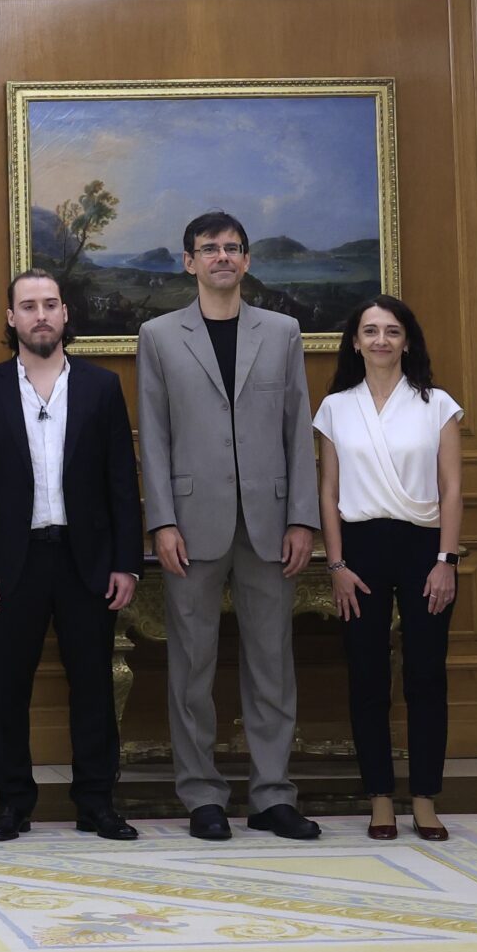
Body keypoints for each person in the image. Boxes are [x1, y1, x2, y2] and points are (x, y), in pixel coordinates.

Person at [138, 211, 321, 841]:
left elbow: (298, 429)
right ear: (189, 261)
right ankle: (202, 796)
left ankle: (272, 795)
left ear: (246, 260)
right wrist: (162, 520)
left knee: (272, 662)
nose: (222, 256)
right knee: (192, 665)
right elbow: (153, 436)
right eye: (209, 248)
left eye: (233, 247)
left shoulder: (283, 332)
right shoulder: (159, 335)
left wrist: (302, 518)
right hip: (190, 524)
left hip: (271, 523)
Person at [0, 270, 143, 842]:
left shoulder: (101, 387)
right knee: (5, 687)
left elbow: (121, 480)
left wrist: (126, 562)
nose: (40, 315)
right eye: (28, 306)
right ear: (11, 318)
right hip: (10, 565)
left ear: (65, 314)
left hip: (87, 561)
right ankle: (12, 803)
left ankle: (96, 802)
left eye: (50, 304)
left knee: (93, 685)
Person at [314, 296, 462, 842]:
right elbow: (327, 492)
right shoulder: (335, 408)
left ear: (407, 341)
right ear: (355, 342)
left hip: (425, 548)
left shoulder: (436, 404)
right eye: (371, 331)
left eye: (392, 331)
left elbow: (452, 489)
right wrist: (336, 564)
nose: (381, 340)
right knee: (367, 676)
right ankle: (379, 797)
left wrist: (446, 561)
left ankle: (424, 798)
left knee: (426, 675)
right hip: (359, 548)